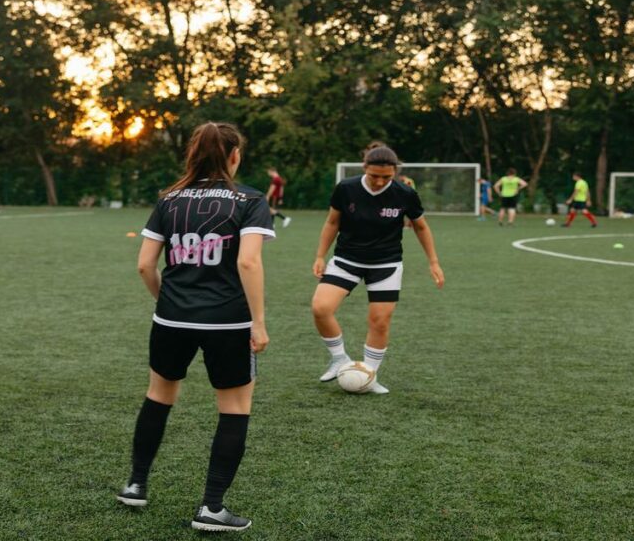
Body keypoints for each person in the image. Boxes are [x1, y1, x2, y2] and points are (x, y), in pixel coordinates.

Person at [117, 122, 273, 532]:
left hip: (171, 318)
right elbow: (248, 262)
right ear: (234, 156)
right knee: (235, 407)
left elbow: (144, 264)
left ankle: (135, 485)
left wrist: (165, 301)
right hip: (228, 321)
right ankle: (211, 508)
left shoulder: (169, 199)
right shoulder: (250, 200)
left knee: (159, 396)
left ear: (193, 155)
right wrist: (258, 322)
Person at [311, 145, 444, 395]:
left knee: (380, 321)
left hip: (386, 263)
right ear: (364, 168)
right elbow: (332, 222)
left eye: (386, 177)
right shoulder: (346, 188)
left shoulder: (405, 193)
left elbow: (421, 227)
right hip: (346, 258)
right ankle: (339, 358)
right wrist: (320, 255)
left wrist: (433, 261)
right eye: (374, 176)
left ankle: (369, 375)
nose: (379, 181)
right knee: (321, 308)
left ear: (395, 173)